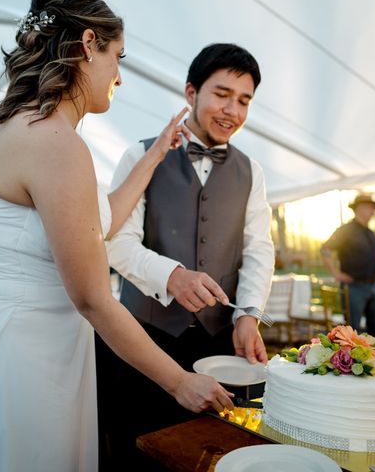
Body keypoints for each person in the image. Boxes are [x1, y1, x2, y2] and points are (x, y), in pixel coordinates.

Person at [0, 0, 234, 471]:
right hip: (15, 364)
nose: (119, 76)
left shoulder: (27, 129)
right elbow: (92, 297)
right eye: (116, 57)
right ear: (88, 45)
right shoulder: (56, 143)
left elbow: (100, 222)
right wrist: (178, 381)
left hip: (0, 345)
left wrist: (156, 153)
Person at [100, 43, 274, 467]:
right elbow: (115, 243)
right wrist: (172, 275)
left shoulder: (253, 172)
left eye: (244, 100)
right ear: (191, 92)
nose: (232, 110)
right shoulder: (139, 155)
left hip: (220, 346)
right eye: (222, 94)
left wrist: (248, 313)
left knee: (216, 455)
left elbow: (258, 249)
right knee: (140, 453)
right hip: (144, 339)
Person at [320, 194, 375, 336]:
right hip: (354, 287)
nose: (373, 211)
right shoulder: (345, 230)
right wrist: (336, 274)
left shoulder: (371, 233)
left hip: (374, 285)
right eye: (370, 207)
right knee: (352, 331)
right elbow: (325, 249)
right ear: (359, 208)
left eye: (373, 208)